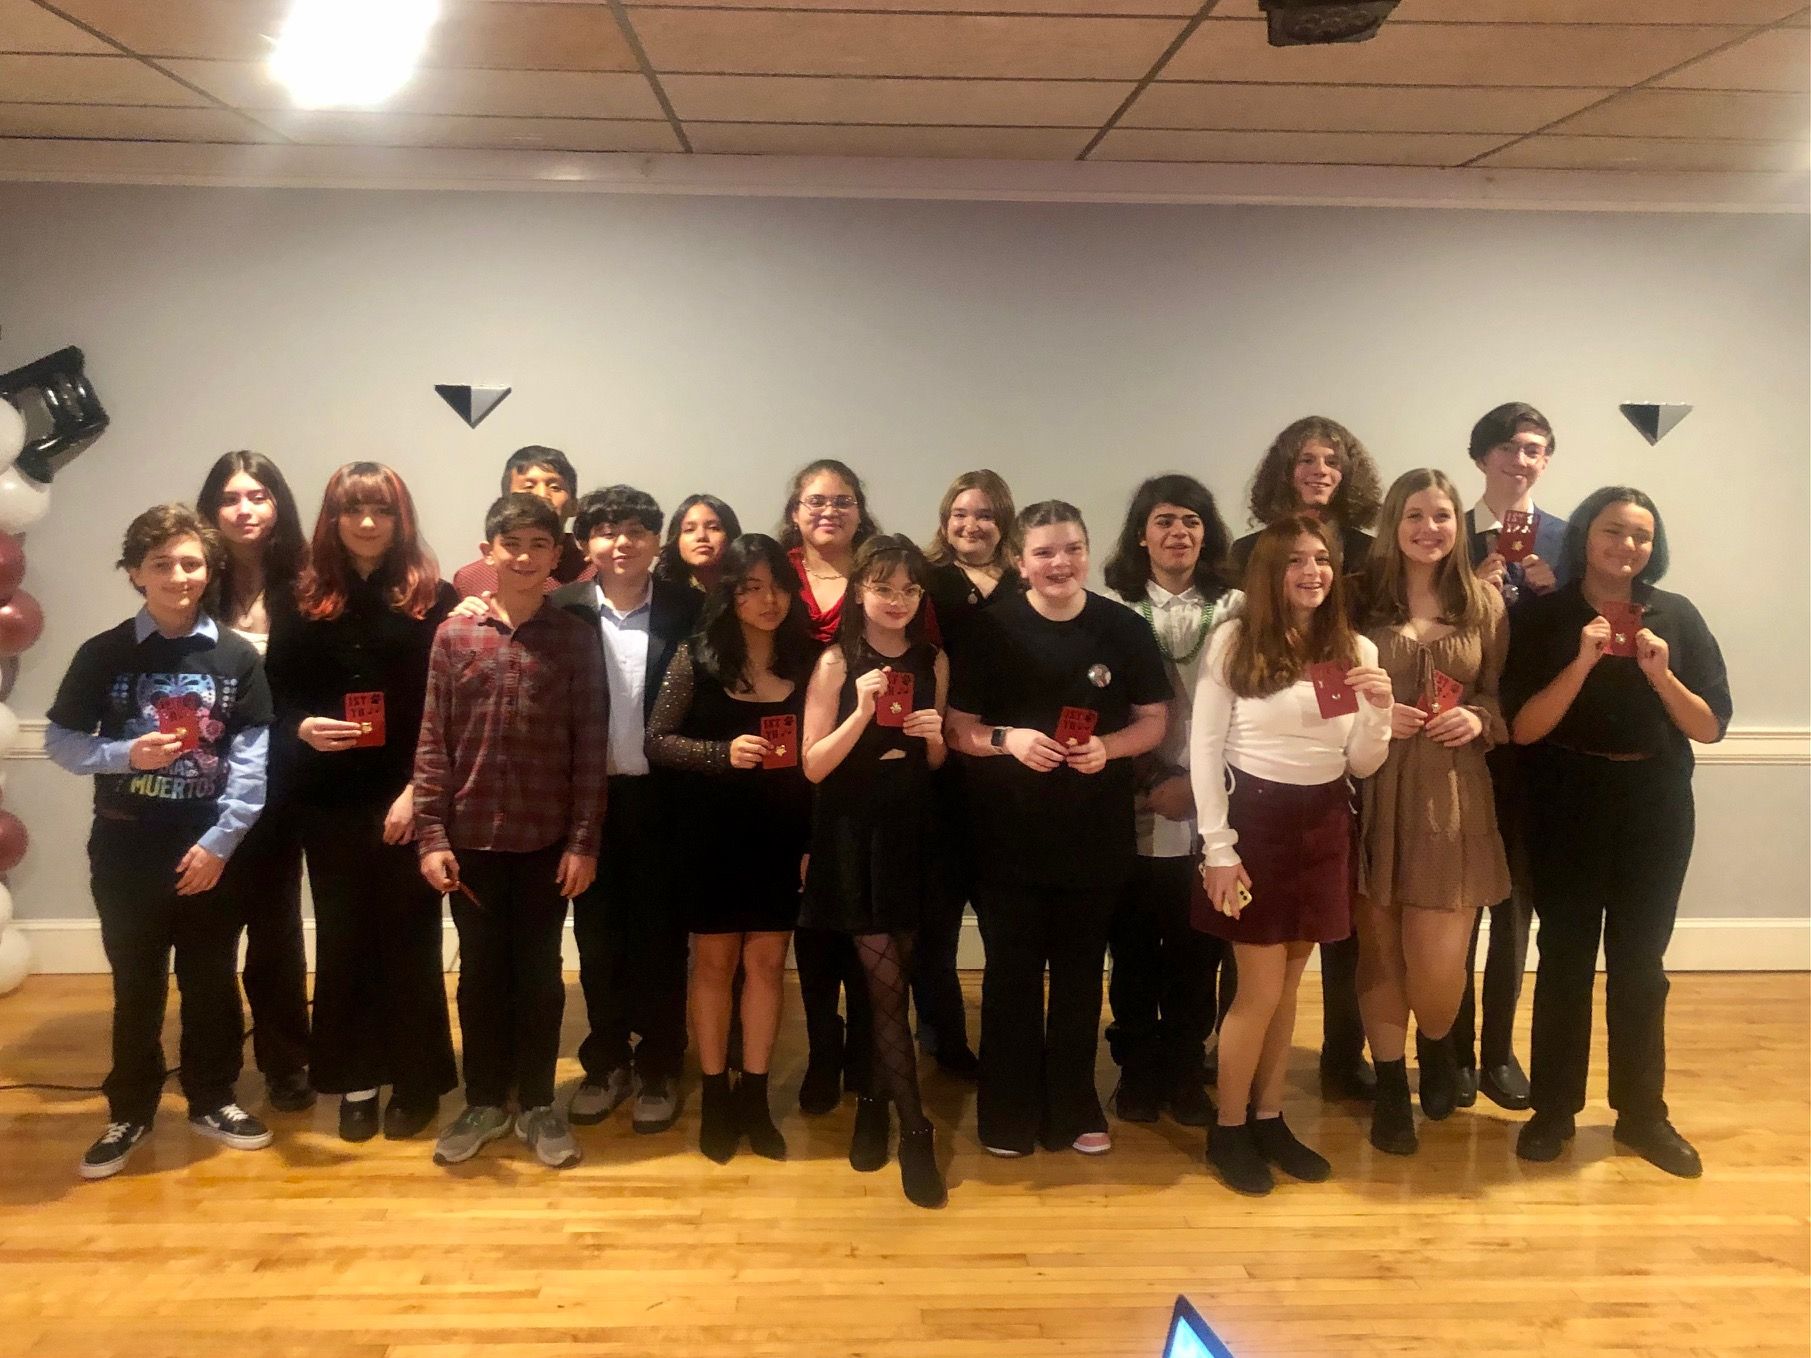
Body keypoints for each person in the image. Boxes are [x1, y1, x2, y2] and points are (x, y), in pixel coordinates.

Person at [1504, 487, 1729, 1179]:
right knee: (1564, 959)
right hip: (1565, 803)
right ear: (1585, 535)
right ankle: (1552, 1110)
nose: (1626, 546)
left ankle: (1641, 1114)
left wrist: (1661, 675)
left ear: (1652, 547)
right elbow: (1521, 728)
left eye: (1640, 536)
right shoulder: (1544, 617)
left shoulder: (1677, 616)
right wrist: (1580, 661)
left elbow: (1710, 727)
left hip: (1654, 805)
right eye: (1612, 530)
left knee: (1640, 966)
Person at [46, 504, 276, 1179]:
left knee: (211, 979)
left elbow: (254, 758)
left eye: (191, 563)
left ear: (209, 571)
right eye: (161, 563)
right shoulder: (104, 653)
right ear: (135, 573)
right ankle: (130, 1109)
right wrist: (124, 755)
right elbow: (61, 741)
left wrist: (221, 843)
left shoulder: (236, 656)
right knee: (137, 983)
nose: (179, 576)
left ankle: (212, 1097)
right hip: (125, 849)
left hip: (209, 850)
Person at [946, 501, 1170, 1157]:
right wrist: (1008, 739)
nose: (1059, 563)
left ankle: (1073, 1105)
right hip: (1006, 837)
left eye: (1071, 548)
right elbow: (958, 729)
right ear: (1020, 562)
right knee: (1010, 978)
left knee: (1078, 976)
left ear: (1087, 552)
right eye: (1043, 552)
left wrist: (1110, 748)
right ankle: (1006, 1109)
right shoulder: (989, 630)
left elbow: (1154, 720)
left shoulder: (1122, 628)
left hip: (1094, 835)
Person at [1190, 516, 1392, 1195]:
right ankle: (1228, 1128)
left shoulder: (1353, 648)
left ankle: (1269, 1117)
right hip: (1253, 824)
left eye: (1322, 559)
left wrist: (1380, 708)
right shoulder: (1234, 640)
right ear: (1269, 572)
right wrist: (1218, 849)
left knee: (1288, 990)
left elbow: (1361, 761)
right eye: (1296, 561)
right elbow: (1202, 750)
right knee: (1257, 991)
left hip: (1325, 823)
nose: (1312, 572)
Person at [413, 493, 609, 1170]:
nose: (524, 557)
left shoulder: (575, 639)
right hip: (469, 841)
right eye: (512, 544)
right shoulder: (453, 636)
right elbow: (433, 741)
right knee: (479, 978)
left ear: (556, 556)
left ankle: (538, 1103)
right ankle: (485, 1100)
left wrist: (583, 842)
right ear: (488, 552)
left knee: (540, 977)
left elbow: (590, 748)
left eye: (538, 545)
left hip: (546, 842)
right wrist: (431, 836)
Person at [265, 463, 459, 1143]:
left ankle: (415, 1080)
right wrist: (301, 728)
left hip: (411, 793)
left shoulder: (437, 598)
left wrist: (418, 793)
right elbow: (274, 695)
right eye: (354, 510)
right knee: (345, 940)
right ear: (333, 517)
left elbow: (450, 708)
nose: (368, 523)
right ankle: (355, 1080)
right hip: (328, 799)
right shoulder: (296, 595)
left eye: (382, 510)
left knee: (410, 940)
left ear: (401, 519)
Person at [1351, 469, 1511, 1156]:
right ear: (1392, 523)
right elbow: (1320, 690)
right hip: (1372, 790)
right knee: (1380, 953)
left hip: (1452, 794)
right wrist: (1372, 717)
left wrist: (1477, 719)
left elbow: (1499, 697)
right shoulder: (1354, 599)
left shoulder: (1484, 603)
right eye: (1413, 515)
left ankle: (1438, 1047)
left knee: (1439, 968)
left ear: (1457, 525)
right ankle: (1391, 1087)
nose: (1428, 528)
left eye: (1441, 515)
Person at [1227, 416, 1384, 1101]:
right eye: (1306, 459)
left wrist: (1373, 706)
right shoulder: (1247, 554)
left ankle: (1338, 1057)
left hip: (1343, 736)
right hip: (1263, 759)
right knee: (1256, 957)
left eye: (1331, 460)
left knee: (1332, 931)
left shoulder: (1371, 552)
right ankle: (1236, 1078)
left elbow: (1368, 641)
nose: (1320, 471)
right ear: (1284, 471)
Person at [645, 534, 816, 1164]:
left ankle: (755, 1096)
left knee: (768, 965)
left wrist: (813, 840)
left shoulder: (809, 662)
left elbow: (823, 762)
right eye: (751, 588)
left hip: (783, 835)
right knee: (713, 965)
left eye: (777, 587)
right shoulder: (698, 656)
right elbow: (657, 740)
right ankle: (716, 1095)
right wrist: (723, 754)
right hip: (710, 834)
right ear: (729, 594)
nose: (768, 600)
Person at [801, 534, 950, 1208]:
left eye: (909, 589)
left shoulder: (932, 659)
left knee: (893, 982)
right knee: (884, 986)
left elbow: (937, 764)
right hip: (853, 832)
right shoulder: (837, 661)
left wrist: (934, 737)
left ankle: (870, 1102)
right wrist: (862, 711)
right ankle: (914, 1129)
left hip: (912, 830)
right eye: (884, 588)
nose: (896, 600)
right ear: (859, 590)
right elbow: (812, 765)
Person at [553, 487, 702, 1135]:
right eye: (607, 530)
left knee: (662, 939)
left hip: (667, 799)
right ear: (585, 543)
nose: (622, 542)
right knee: (597, 938)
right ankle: (606, 1060)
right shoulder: (561, 608)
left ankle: (660, 1063)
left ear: (656, 541)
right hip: (587, 800)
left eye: (637, 530)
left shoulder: (689, 609)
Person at [1101, 474, 1240, 1129]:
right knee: (1131, 949)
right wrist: (1148, 777)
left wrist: (1200, 785)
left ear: (1207, 533)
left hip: (1212, 807)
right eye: (1163, 521)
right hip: (1130, 803)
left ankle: (1185, 1070)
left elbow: (1255, 707)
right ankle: (1135, 1068)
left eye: (1190, 520)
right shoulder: (1112, 609)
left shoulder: (1239, 609)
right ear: (1141, 535)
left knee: (1196, 951)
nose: (1177, 532)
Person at [1453, 401, 1570, 1111]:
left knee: (1514, 906)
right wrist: (1473, 592)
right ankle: (1451, 1050)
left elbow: (1584, 639)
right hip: (1462, 740)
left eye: (1534, 448)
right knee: (1456, 902)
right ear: (1481, 457)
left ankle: (1497, 1051)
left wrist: (1557, 600)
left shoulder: (1568, 540)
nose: (1520, 460)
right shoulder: (1445, 532)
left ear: (1545, 460)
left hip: (1540, 750)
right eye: (1508, 447)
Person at [194, 451, 313, 1114]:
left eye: (258, 495)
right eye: (230, 497)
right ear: (212, 509)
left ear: (277, 505)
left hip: (283, 784)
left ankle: (286, 1061)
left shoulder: (308, 584)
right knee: (208, 931)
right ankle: (211, 1066)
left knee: (276, 930)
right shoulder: (191, 581)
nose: (244, 509)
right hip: (200, 785)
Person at [913, 469, 1027, 1077]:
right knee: (934, 925)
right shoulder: (925, 581)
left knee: (1008, 923)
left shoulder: (1026, 581)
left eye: (984, 514)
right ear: (945, 520)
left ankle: (1011, 1041)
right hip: (936, 775)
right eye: (960, 513)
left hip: (1008, 773)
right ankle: (944, 1038)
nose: (971, 524)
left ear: (1003, 521)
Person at [779, 459, 879, 1113]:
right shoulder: (775, 573)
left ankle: (867, 1053)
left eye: (842, 500)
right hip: (785, 766)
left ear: (859, 510)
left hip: (864, 761)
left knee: (865, 914)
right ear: (795, 511)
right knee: (810, 918)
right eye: (816, 500)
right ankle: (822, 1050)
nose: (829, 511)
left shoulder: (882, 572)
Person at [448, 446, 594, 598]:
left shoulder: (597, 573)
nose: (541, 495)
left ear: (574, 506)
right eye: (528, 487)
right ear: (506, 503)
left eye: (555, 487)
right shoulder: (471, 579)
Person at [656, 493, 742, 595]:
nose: (701, 536)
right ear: (676, 540)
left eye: (713, 528)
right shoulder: (658, 593)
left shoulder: (748, 589)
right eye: (689, 529)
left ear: (730, 536)